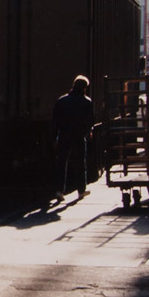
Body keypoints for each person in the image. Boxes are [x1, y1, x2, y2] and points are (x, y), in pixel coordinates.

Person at [52, 74, 95, 202]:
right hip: (78, 136)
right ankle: (81, 190)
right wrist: (87, 132)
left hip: (64, 135)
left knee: (62, 162)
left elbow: (55, 121)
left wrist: (55, 137)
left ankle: (59, 190)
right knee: (80, 163)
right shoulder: (87, 102)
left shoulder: (62, 100)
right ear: (84, 88)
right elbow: (90, 121)